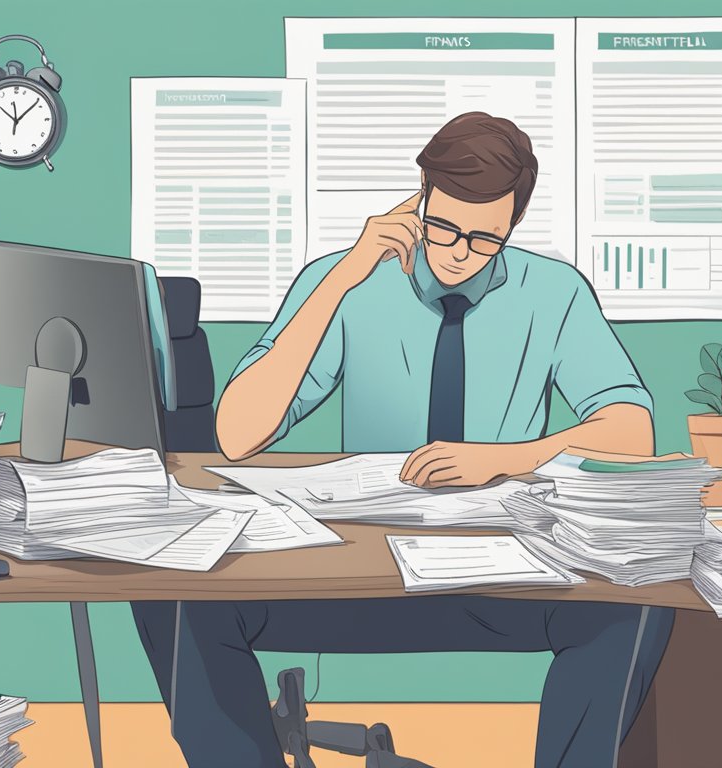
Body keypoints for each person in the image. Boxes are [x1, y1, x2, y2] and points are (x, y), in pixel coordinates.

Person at [133, 112, 672, 768]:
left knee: (636, 608)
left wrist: (501, 460)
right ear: (418, 198)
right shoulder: (348, 281)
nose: (457, 251)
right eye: (443, 225)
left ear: (512, 227)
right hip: (360, 577)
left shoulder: (553, 294)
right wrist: (343, 278)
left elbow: (632, 430)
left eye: (484, 239)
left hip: (502, 582)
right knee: (180, 601)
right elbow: (237, 433)